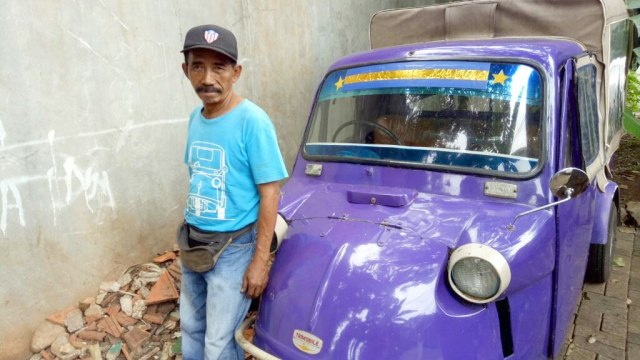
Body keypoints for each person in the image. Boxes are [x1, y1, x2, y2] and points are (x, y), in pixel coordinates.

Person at [179, 24, 288, 360]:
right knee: (192, 329)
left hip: (234, 248)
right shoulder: (196, 119)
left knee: (219, 343)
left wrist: (259, 262)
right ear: (186, 70)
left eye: (219, 67)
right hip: (194, 243)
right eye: (198, 66)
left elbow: (270, 193)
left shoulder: (252, 121)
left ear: (236, 72)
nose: (207, 78)